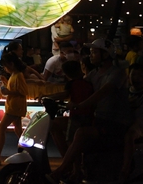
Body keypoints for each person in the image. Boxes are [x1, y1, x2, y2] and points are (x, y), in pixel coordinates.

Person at [47, 39, 130, 184]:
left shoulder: (117, 73)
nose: (91, 55)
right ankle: (72, 168)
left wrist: (80, 105)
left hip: (114, 123)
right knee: (55, 125)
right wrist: (49, 97)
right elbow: (78, 87)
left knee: (81, 132)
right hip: (96, 120)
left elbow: (103, 92)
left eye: (94, 52)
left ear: (105, 55)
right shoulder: (94, 73)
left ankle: (62, 170)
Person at [38, 60, 94, 162]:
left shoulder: (71, 84)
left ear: (67, 74)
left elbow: (64, 94)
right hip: (89, 116)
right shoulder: (88, 82)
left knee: (70, 141)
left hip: (76, 115)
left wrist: (48, 96)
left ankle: (71, 165)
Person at [0, 53, 28, 164]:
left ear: (11, 64)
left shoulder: (18, 76)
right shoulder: (14, 75)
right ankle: (27, 150)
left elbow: (23, 92)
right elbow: (14, 89)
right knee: (17, 129)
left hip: (15, 107)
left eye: (5, 66)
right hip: (14, 106)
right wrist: (5, 83)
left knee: (2, 127)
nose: (5, 69)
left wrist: (8, 91)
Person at [120, 63, 143, 182]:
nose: (135, 78)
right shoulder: (125, 92)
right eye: (133, 74)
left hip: (140, 124)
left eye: (140, 75)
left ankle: (125, 169)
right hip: (126, 121)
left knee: (130, 135)